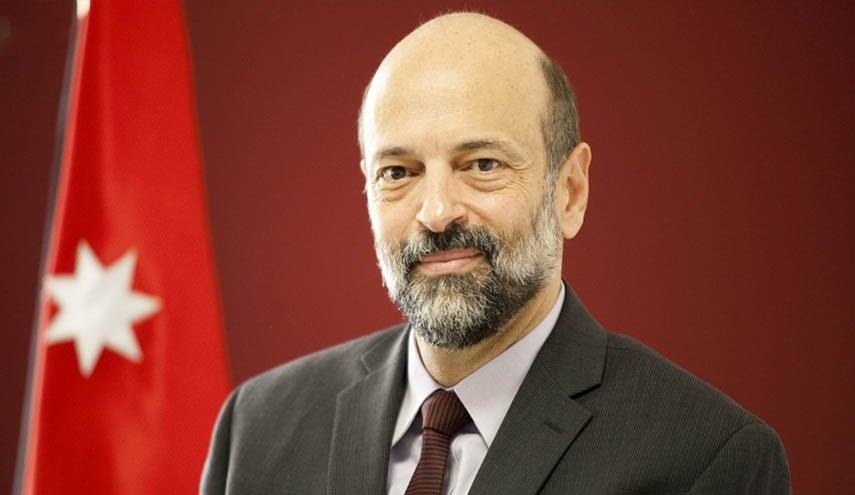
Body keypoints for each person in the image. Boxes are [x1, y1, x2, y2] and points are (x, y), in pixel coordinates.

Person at [201, 12, 790, 494]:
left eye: (482, 164)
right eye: (398, 172)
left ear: (570, 191)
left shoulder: (706, 461)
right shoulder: (256, 428)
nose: (436, 212)